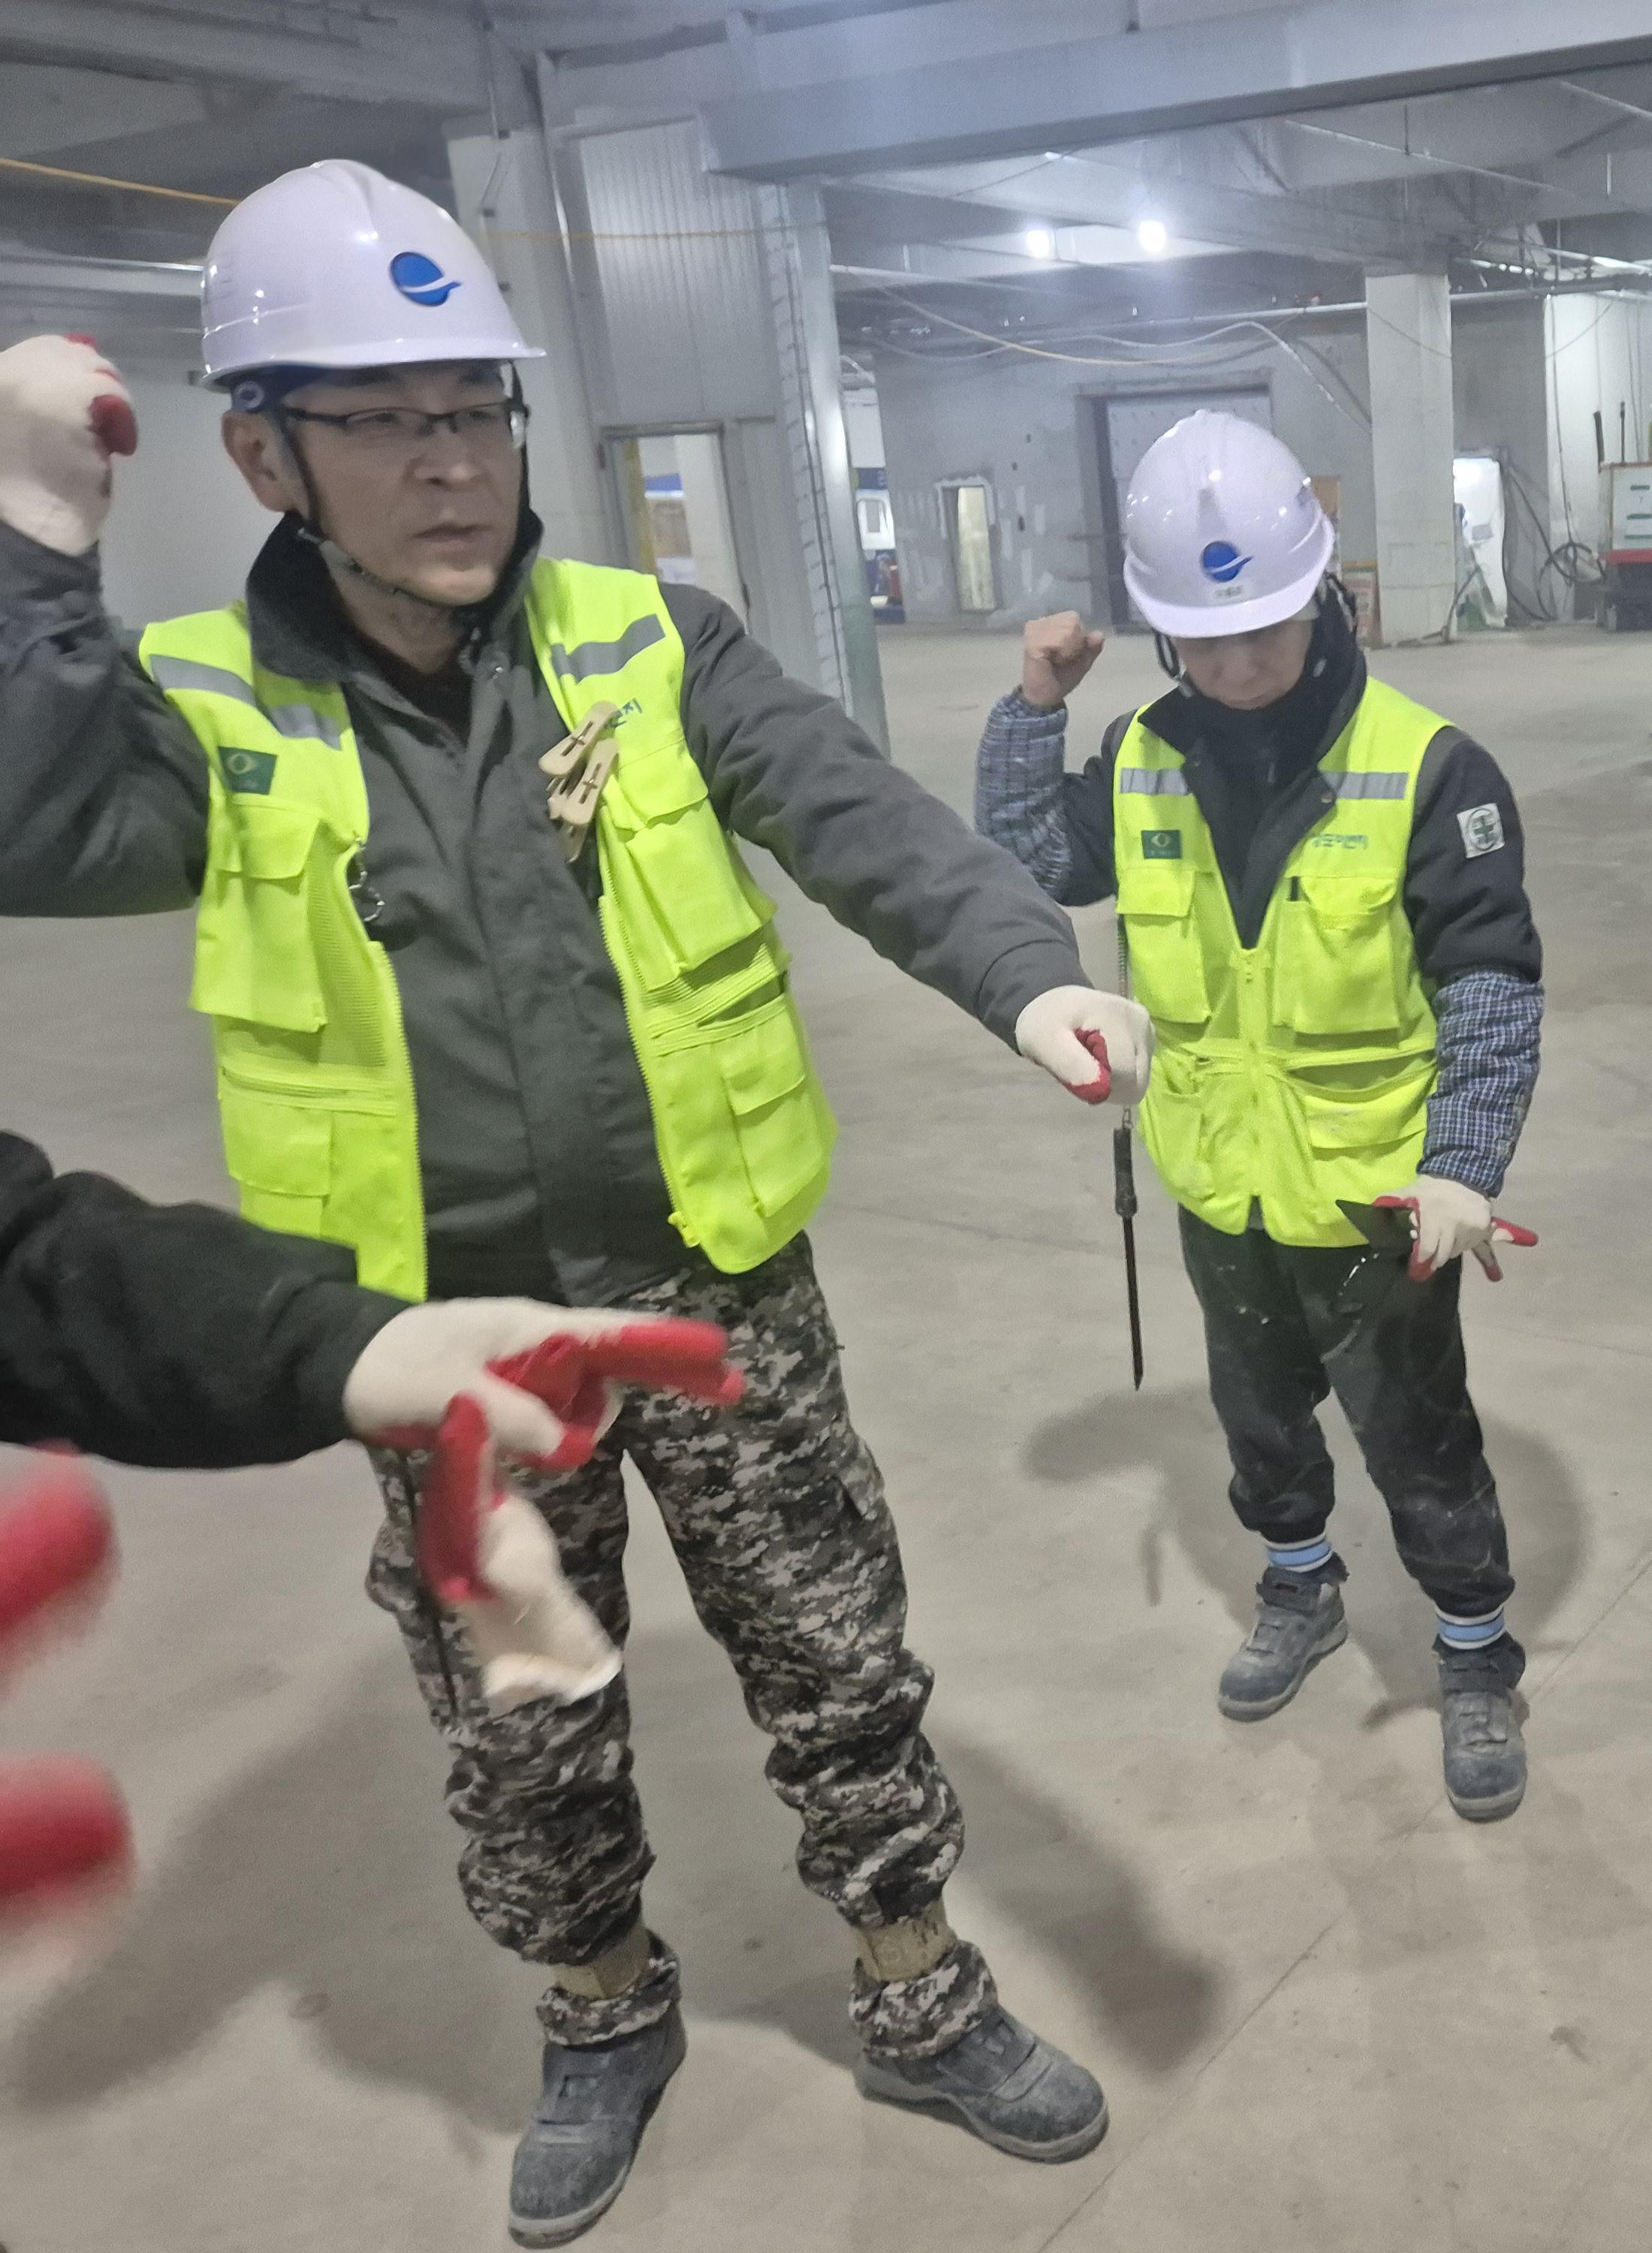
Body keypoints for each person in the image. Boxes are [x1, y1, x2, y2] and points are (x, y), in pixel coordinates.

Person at [0, 161, 1152, 2245]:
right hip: (440, 1343)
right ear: (263, 455)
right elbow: (29, 816)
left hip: (713, 1287)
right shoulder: (203, 703)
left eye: (476, 409)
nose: (451, 462)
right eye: (385, 421)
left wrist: (1027, 974)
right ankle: (603, 2011)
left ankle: (918, 1987)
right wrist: (28, 563)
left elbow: (853, 810)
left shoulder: (646, 639)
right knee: (522, 1716)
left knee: (835, 1659)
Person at [974, 411, 1547, 1822]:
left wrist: (1464, 1165)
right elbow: (1032, 854)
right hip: (1216, 1178)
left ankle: (1475, 1649)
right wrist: (1033, 708)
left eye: (1263, 632)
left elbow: (1490, 982)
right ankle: (1301, 1586)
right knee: (1258, 1418)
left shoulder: (1431, 766)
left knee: (1418, 1437)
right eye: (1202, 640)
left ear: (1322, 594)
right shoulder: (1144, 749)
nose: (1234, 667)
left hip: (1376, 1201)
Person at [0, 1131, 740, 1913]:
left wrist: (329, 1339)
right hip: (426, 1240)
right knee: (528, 1735)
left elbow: (17, 1251)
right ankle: (601, 1969)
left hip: (685, 1237)